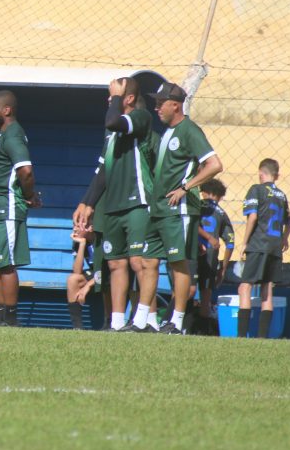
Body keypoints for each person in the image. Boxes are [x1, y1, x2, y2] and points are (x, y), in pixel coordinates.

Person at [73, 77, 158, 332]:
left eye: (114, 95)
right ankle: (117, 323)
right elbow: (103, 169)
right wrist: (87, 203)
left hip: (138, 202)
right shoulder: (111, 132)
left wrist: (117, 99)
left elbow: (113, 120)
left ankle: (148, 320)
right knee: (115, 263)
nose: (109, 100)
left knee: (139, 262)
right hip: (113, 205)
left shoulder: (140, 117)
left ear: (128, 98)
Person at [141, 82, 223, 335]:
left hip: (178, 210)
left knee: (179, 263)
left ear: (175, 105)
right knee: (147, 261)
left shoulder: (189, 130)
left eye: (160, 103)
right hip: (158, 209)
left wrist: (186, 187)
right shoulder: (168, 132)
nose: (156, 108)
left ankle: (176, 322)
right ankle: (143, 320)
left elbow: (214, 164)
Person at [0, 90, 41, 326]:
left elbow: (25, 171)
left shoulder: (13, 135)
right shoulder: (2, 136)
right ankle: (0, 315)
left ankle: (11, 318)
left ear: (6, 110)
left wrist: (29, 195)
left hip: (5, 208)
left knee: (6, 264)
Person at [236, 158, 290, 338]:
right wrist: (284, 239)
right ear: (277, 175)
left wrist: (245, 242)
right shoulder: (282, 195)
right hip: (275, 247)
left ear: (261, 174)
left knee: (244, 287)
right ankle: (262, 338)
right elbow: (289, 222)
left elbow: (252, 217)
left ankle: (240, 337)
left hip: (258, 244)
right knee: (267, 290)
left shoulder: (256, 189)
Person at [192, 178, 235, 335]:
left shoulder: (195, 206)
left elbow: (190, 224)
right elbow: (230, 242)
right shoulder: (222, 213)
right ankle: (203, 331)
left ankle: (182, 324)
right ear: (219, 196)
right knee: (206, 294)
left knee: (186, 289)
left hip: (193, 252)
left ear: (204, 193)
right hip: (210, 256)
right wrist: (223, 268)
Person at [66, 229, 96, 330]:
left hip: (108, 274)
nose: (75, 229)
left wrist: (87, 286)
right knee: (72, 279)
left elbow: (107, 271)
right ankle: (77, 327)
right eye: (75, 225)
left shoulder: (100, 240)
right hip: (95, 273)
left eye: (79, 225)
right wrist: (82, 244)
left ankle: (110, 321)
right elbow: (77, 271)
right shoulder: (79, 241)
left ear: (90, 227)